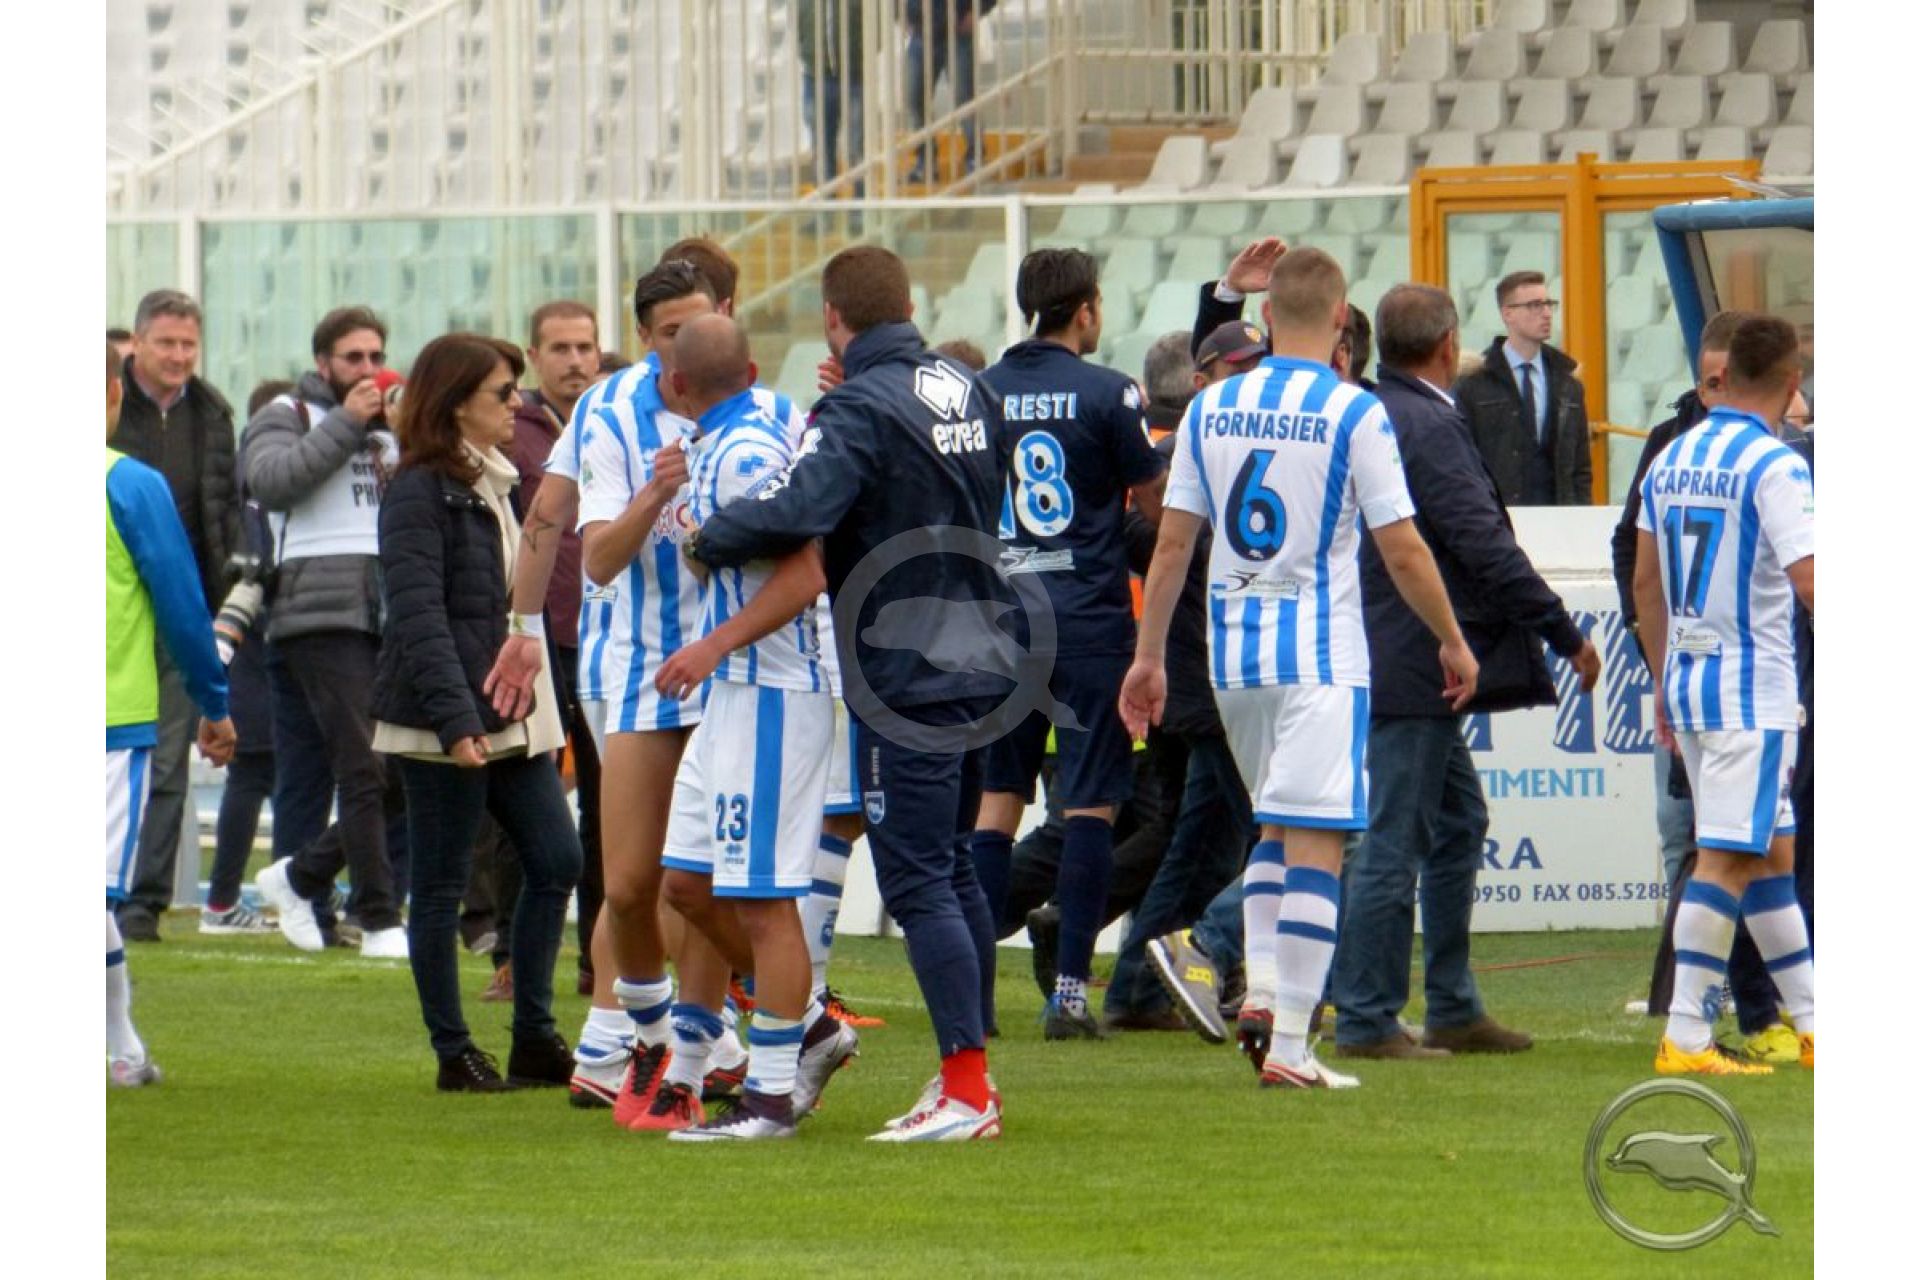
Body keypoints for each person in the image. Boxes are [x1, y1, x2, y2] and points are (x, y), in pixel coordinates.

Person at [1120, 247, 1480, 1091]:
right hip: (1318, 656)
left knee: (1275, 833)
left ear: (1268, 317)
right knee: (1317, 843)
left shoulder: (1211, 407)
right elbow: (1402, 546)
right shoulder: (1354, 411)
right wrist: (1451, 638)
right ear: (1343, 318)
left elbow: (1172, 545)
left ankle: (1263, 999)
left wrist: (1149, 658)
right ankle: (1290, 1046)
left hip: (1234, 660)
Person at [688, 245, 1009, 1142]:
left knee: (916, 878)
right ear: (908, 305)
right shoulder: (962, 385)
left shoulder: (858, 406)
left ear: (833, 317)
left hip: (908, 664)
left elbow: (800, 509)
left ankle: (967, 1092)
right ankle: (970, 1072)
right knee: (952, 866)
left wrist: (709, 536)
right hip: (985, 644)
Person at [1330, 285, 1600, 1061]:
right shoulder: (1426, 423)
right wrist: (1561, 631)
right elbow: (1482, 542)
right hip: (1417, 659)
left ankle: (1450, 1004)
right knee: (1394, 840)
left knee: (1457, 823)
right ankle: (1367, 1016)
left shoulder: (1379, 410)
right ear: (1450, 344)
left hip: (1390, 649)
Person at [620, 313, 857, 1140]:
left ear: (674, 383)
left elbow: (802, 574)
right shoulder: (721, 444)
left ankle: (769, 1098)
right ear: (752, 373)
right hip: (731, 691)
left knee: (761, 900)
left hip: (770, 690)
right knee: (686, 884)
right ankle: (813, 1025)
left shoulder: (746, 453)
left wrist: (710, 644)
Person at [370, 332, 584, 1093]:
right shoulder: (417, 490)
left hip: (507, 710)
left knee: (557, 860)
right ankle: (453, 1051)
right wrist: (457, 721)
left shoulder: (497, 479)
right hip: (448, 717)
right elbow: (418, 616)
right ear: (457, 402)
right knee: (439, 885)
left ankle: (534, 1038)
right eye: (502, 392)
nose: (515, 404)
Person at [967, 249, 1167, 1040]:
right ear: (1085, 309)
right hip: (1087, 620)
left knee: (997, 804)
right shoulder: (1109, 391)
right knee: (1090, 803)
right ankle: (1072, 996)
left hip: (1004, 622)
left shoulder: (981, 392)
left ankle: (973, 996)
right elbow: (1155, 501)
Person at [1632, 313, 1814, 1078]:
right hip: (1751, 691)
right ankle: (1687, 1036)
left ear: (1725, 375)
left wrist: (1662, 678)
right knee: (1727, 860)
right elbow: (1811, 580)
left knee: (1770, 855)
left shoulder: (1672, 455)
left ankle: (1814, 1022)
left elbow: (1645, 582)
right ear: (1792, 383)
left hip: (1691, 683)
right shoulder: (1777, 465)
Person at [245, 307, 409, 959]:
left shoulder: (389, 424)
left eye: (376, 356)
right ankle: (378, 918)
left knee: (402, 766)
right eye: (353, 358)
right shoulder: (287, 413)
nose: (368, 369)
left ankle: (299, 877)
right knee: (363, 764)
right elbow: (272, 483)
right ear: (323, 364)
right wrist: (347, 420)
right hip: (318, 610)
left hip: (387, 609)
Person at [105, 338, 237, 1085]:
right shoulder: (129, 484)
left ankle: (122, 1048)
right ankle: (120, 1050)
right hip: (106, 724)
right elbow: (184, 607)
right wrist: (213, 702)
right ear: (114, 396)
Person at [510, 300, 604, 995]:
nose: (575, 361)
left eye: (585, 347)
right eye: (561, 348)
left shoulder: (615, 421)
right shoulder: (511, 430)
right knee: (526, 801)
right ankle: (514, 956)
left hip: (606, 639)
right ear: (534, 356)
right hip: (536, 641)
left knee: (607, 808)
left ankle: (601, 960)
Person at [1452, 270, 1592, 506]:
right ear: (1508, 314)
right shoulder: (1475, 383)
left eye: (1548, 304)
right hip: (1498, 516)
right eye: (1534, 305)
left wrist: (1581, 514)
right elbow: (1465, 463)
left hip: (1559, 517)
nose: (1546, 313)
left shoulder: (1568, 384)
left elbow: (1581, 470)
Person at [904, 1, 997, 181]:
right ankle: (926, 160)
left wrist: (976, 11)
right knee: (915, 99)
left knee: (964, 98)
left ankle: (974, 156)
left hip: (957, 30)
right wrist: (903, 15)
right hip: (922, 31)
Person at [799, 0, 865, 188]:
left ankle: (861, 203)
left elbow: (875, 27)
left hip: (853, 76)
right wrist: (809, 55)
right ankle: (826, 202)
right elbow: (796, 25)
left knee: (857, 146)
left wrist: (858, 55)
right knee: (822, 149)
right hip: (815, 76)